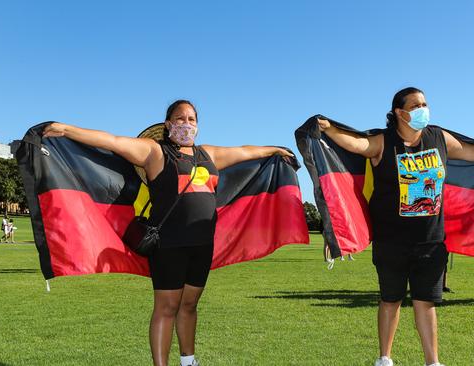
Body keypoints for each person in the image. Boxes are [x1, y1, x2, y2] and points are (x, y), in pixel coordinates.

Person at [43, 100, 292, 366]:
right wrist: (67, 130)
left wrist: (274, 149)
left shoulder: (208, 154)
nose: (186, 124)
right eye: (180, 118)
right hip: (169, 246)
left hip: (202, 246)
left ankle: (189, 362)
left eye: (191, 119)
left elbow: (244, 152)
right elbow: (111, 141)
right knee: (167, 308)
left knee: (189, 306)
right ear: (168, 124)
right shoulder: (154, 152)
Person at [317, 87, 474, 366]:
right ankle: (384, 358)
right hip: (391, 241)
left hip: (431, 241)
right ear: (400, 112)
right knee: (390, 300)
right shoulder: (383, 142)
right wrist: (328, 129)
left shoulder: (438, 138)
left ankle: (433, 362)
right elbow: (356, 145)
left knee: (426, 302)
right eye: (416, 105)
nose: (424, 109)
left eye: (425, 103)